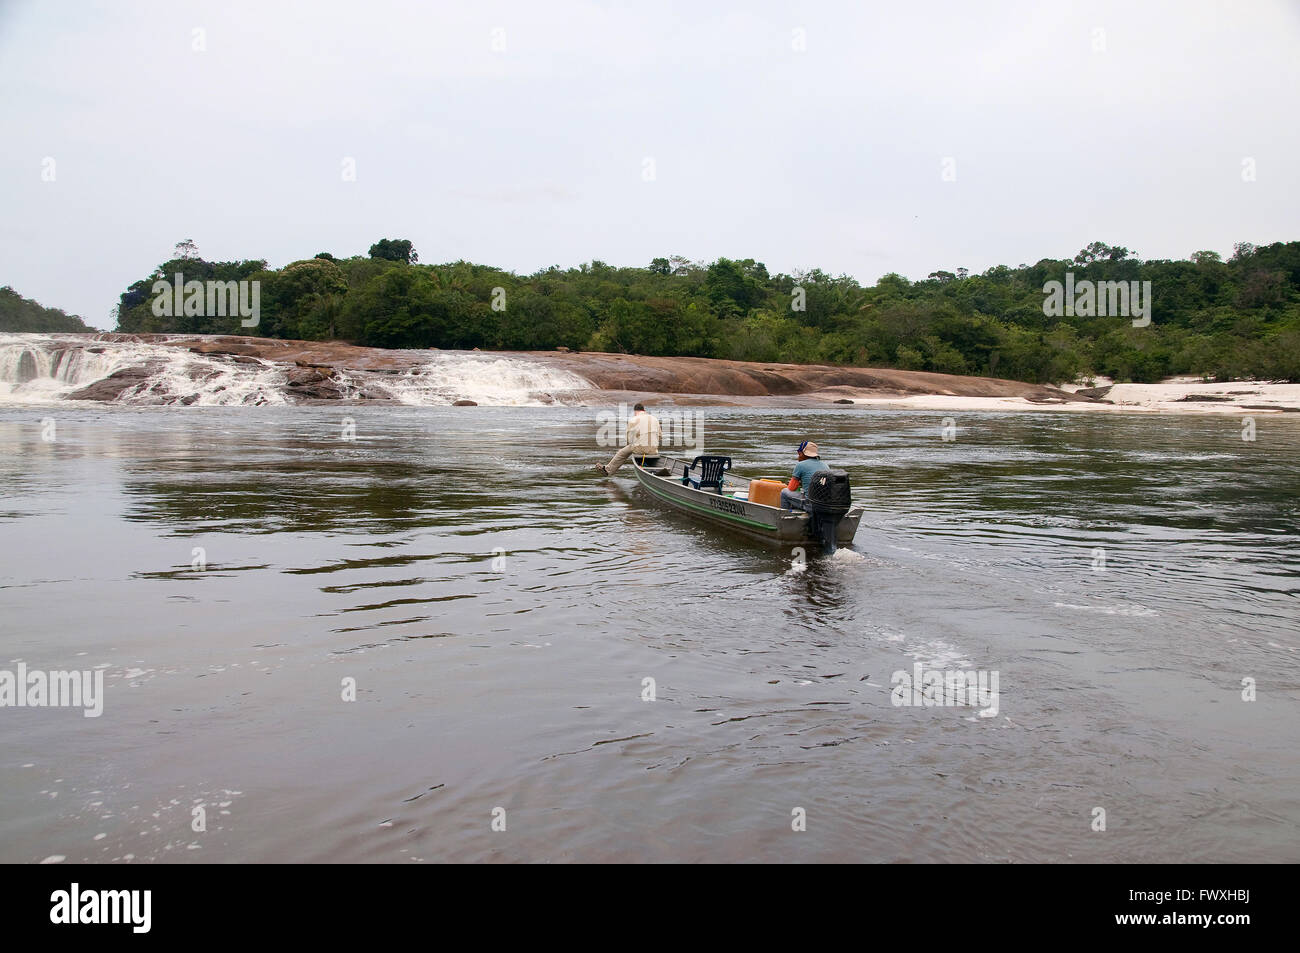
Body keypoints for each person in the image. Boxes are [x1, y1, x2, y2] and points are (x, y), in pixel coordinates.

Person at [596, 402, 662, 475]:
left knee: (621, 453)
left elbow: (629, 439)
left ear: (635, 411)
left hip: (639, 449)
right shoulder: (655, 419)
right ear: (644, 410)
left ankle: (608, 470)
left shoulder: (633, 420)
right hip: (654, 450)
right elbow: (660, 436)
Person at [779, 440, 830, 510]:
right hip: (824, 503)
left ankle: (784, 516)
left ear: (803, 453)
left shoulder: (800, 465)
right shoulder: (825, 465)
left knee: (784, 492)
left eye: (799, 453)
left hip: (810, 504)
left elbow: (791, 488)